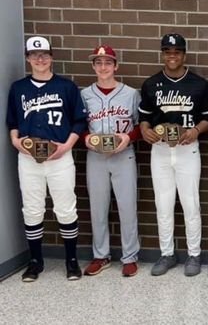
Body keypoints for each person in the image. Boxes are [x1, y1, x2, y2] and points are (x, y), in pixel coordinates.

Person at [6, 36, 87, 282]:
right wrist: (15, 141)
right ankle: (35, 261)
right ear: (28, 58)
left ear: (51, 57)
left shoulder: (66, 87)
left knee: (65, 208)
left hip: (60, 156)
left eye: (44, 54)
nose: (40, 59)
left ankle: (71, 261)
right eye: (34, 54)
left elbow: (79, 121)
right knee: (32, 209)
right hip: (29, 158)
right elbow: (12, 121)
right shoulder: (19, 88)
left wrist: (67, 147)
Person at [138, 33, 208, 277]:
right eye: (168, 52)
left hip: (187, 149)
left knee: (190, 204)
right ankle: (167, 253)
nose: (172, 56)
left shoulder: (199, 84)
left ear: (184, 54)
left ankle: (194, 253)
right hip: (159, 150)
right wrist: (145, 131)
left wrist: (195, 130)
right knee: (163, 204)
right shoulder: (151, 84)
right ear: (163, 54)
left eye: (177, 52)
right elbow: (144, 119)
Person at [80, 45, 141, 277]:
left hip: (123, 156)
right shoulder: (85, 95)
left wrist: (128, 137)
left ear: (116, 65)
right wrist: (87, 139)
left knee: (127, 207)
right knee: (97, 208)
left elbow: (140, 126)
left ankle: (130, 256)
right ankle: (101, 255)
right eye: (98, 62)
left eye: (108, 62)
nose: (103, 67)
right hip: (95, 157)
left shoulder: (131, 93)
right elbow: (78, 126)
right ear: (93, 66)